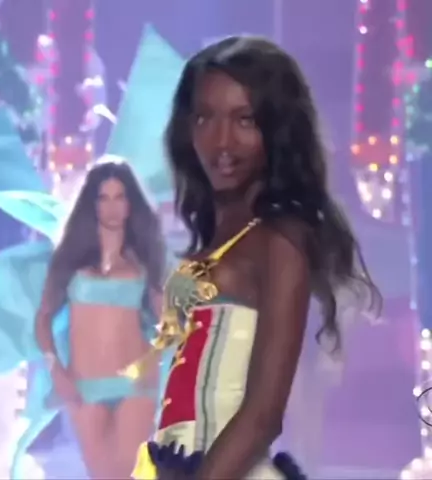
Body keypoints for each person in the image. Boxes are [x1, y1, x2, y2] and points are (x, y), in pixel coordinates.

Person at [130, 35, 381, 479]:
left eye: (244, 120)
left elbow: (264, 414)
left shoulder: (279, 241)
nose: (221, 141)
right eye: (204, 118)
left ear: (276, 130)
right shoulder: (219, 233)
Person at [35, 157, 165, 478]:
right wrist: (56, 370)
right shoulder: (69, 258)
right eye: (104, 198)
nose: (112, 208)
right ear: (92, 204)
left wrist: (157, 358)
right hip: (83, 386)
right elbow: (43, 319)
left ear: (130, 204)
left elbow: (167, 320)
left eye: (119, 197)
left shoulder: (143, 259)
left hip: (135, 385)